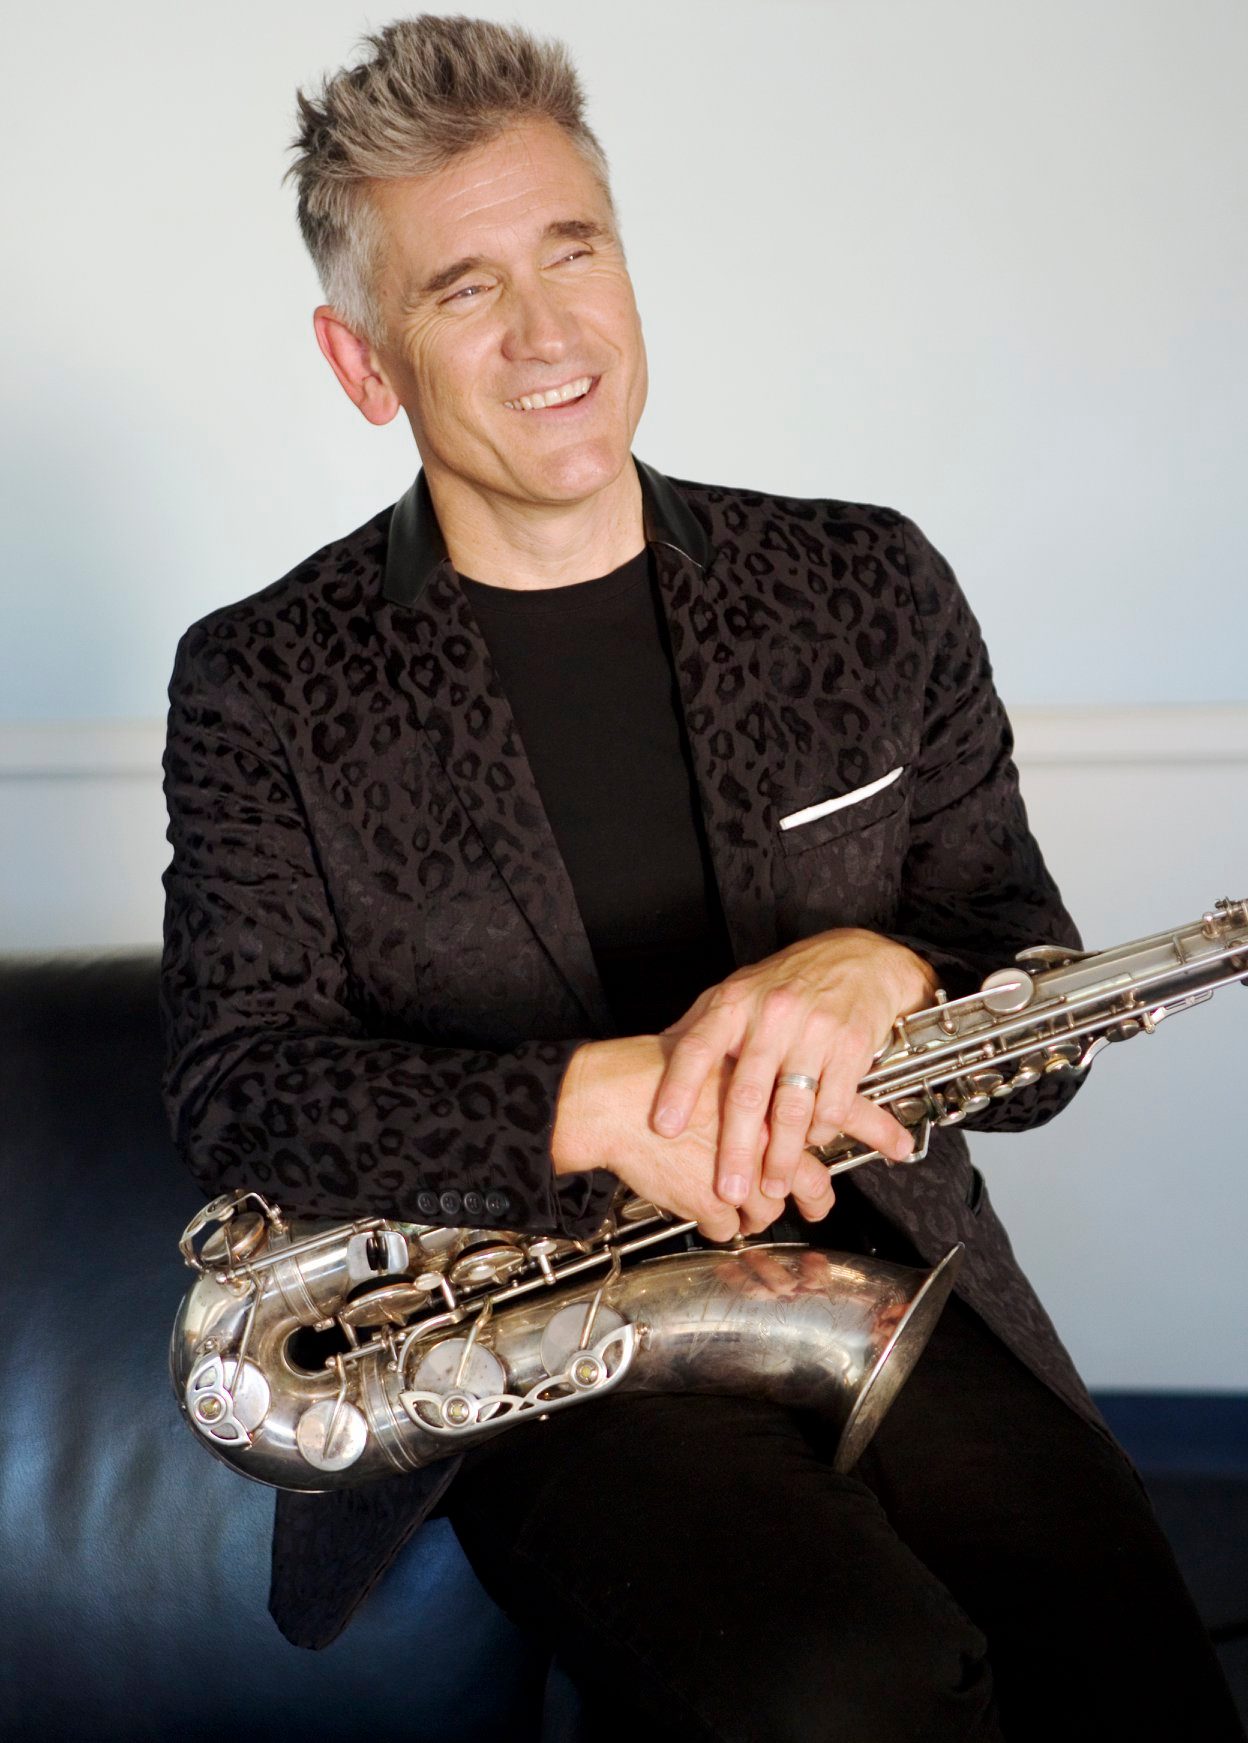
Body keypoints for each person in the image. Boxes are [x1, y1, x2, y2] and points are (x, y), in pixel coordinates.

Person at [159, 16, 1242, 1741]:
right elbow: (241, 1089)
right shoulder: (263, 681)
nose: (548, 336)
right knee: (844, 1691)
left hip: (876, 1287)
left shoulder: (866, 585)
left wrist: (883, 964)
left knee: (1136, 1682)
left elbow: (1025, 1012)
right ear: (363, 362)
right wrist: (606, 1099)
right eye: (465, 291)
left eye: (573, 252)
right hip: (537, 1351)